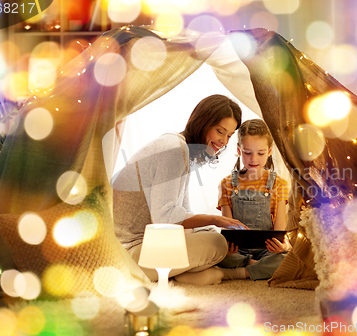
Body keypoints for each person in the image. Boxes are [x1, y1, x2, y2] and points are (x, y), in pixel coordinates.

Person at [113, 94, 248, 285]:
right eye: (220, 131)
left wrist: (212, 228)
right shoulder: (175, 150)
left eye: (229, 135)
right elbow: (165, 218)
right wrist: (215, 219)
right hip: (133, 253)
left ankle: (180, 275)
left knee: (215, 237)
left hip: (148, 245)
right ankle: (227, 273)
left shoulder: (181, 149)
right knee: (217, 244)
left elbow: (184, 211)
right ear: (203, 122)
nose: (224, 141)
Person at [216, 119, 290, 280]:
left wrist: (282, 245)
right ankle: (254, 266)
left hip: (267, 249)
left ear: (270, 151)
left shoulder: (279, 184)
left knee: (285, 258)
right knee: (218, 254)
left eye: (260, 153)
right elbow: (227, 225)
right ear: (238, 149)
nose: (253, 159)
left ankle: (241, 271)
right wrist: (227, 246)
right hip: (238, 250)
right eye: (247, 152)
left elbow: (280, 227)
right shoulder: (226, 183)